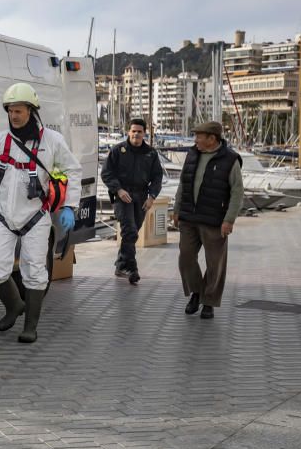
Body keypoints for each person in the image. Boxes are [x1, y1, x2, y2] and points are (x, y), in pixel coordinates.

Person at [0, 83, 81, 343]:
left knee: (34, 271)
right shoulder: (0, 142)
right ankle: (13, 306)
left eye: (19, 111)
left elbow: (73, 171)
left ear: (31, 111)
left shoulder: (52, 141)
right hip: (3, 217)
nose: (14, 116)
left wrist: (69, 206)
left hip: (35, 218)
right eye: (10, 111)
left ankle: (30, 326)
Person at [171, 121, 243, 320]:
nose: (196, 139)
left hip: (215, 220)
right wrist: (177, 208)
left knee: (215, 265)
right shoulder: (192, 154)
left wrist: (229, 220)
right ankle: (196, 292)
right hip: (189, 218)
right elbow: (183, 183)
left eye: (199, 136)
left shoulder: (230, 160)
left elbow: (237, 192)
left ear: (212, 139)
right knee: (185, 258)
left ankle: (209, 302)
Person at [100, 118, 164, 284]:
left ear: (144, 133)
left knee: (132, 233)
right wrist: (118, 190)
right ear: (129, 132)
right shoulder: (117, 150)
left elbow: (157, 176)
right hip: (123, 196)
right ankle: (132, 269)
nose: (136, 134)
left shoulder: (151, 153)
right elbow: (106, 173)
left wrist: (152, 196)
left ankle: (121, 265)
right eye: (133, 131)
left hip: (142, 197)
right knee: (129, 231)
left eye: (139, 131)